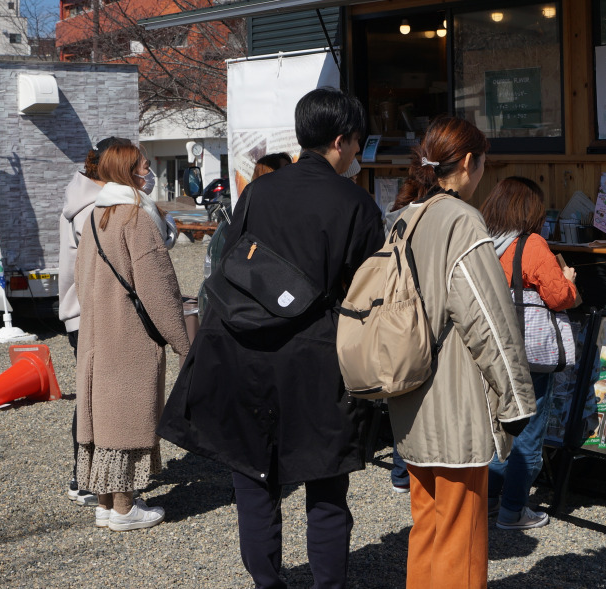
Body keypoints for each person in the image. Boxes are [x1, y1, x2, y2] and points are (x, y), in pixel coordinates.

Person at [159, 87, 384, 589]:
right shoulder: (356, 203)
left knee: (254, 475)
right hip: (316, 356)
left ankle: (267, 581)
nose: (355, 155)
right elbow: (369, 292)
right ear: (342, 140)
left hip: (241, 346)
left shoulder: (260, 191)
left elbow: (231, 260)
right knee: (326, 485)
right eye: (356, 144)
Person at [385, 117, 537, 589]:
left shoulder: (405, 216)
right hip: (456, 408)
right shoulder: (462, 221)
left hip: (409, 400)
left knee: (428, 530)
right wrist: (516, 402)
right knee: (461, 544)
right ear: (469, 162)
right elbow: (490, 321)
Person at [74, 142, 191, 531]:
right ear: (128, 172)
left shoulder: (96, 216)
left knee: (103, 420)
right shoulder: (134, 219)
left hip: (96, 332)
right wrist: (182, 342)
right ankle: (124, 509)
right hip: (127, 335)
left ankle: (107, 504)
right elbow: (159, 289)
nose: (148, 172)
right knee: (125, 418)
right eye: (143, 166)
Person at [481, 175, 578, 530]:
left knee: (498, 429)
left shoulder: (485, 241)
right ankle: (513, 511)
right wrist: (568, 277)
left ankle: (489, 502)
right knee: (529, 431)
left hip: (492, 349)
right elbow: (559, 296)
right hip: (529, 355)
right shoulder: (531, 245)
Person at [59, 136, 132, 507]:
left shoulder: (82, 197)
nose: (143, 173)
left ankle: (87, 477)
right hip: (91, 313)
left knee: (90, 395)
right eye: (137, 165)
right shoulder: (94, 208)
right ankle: (86, 479)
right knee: (94, 399)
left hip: (80, 312)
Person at [196, 152, 292, 318]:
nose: (292, 174)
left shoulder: (292, 203)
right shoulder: (252, 200)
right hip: (257, 289)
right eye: (285, 169)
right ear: (269, 173)